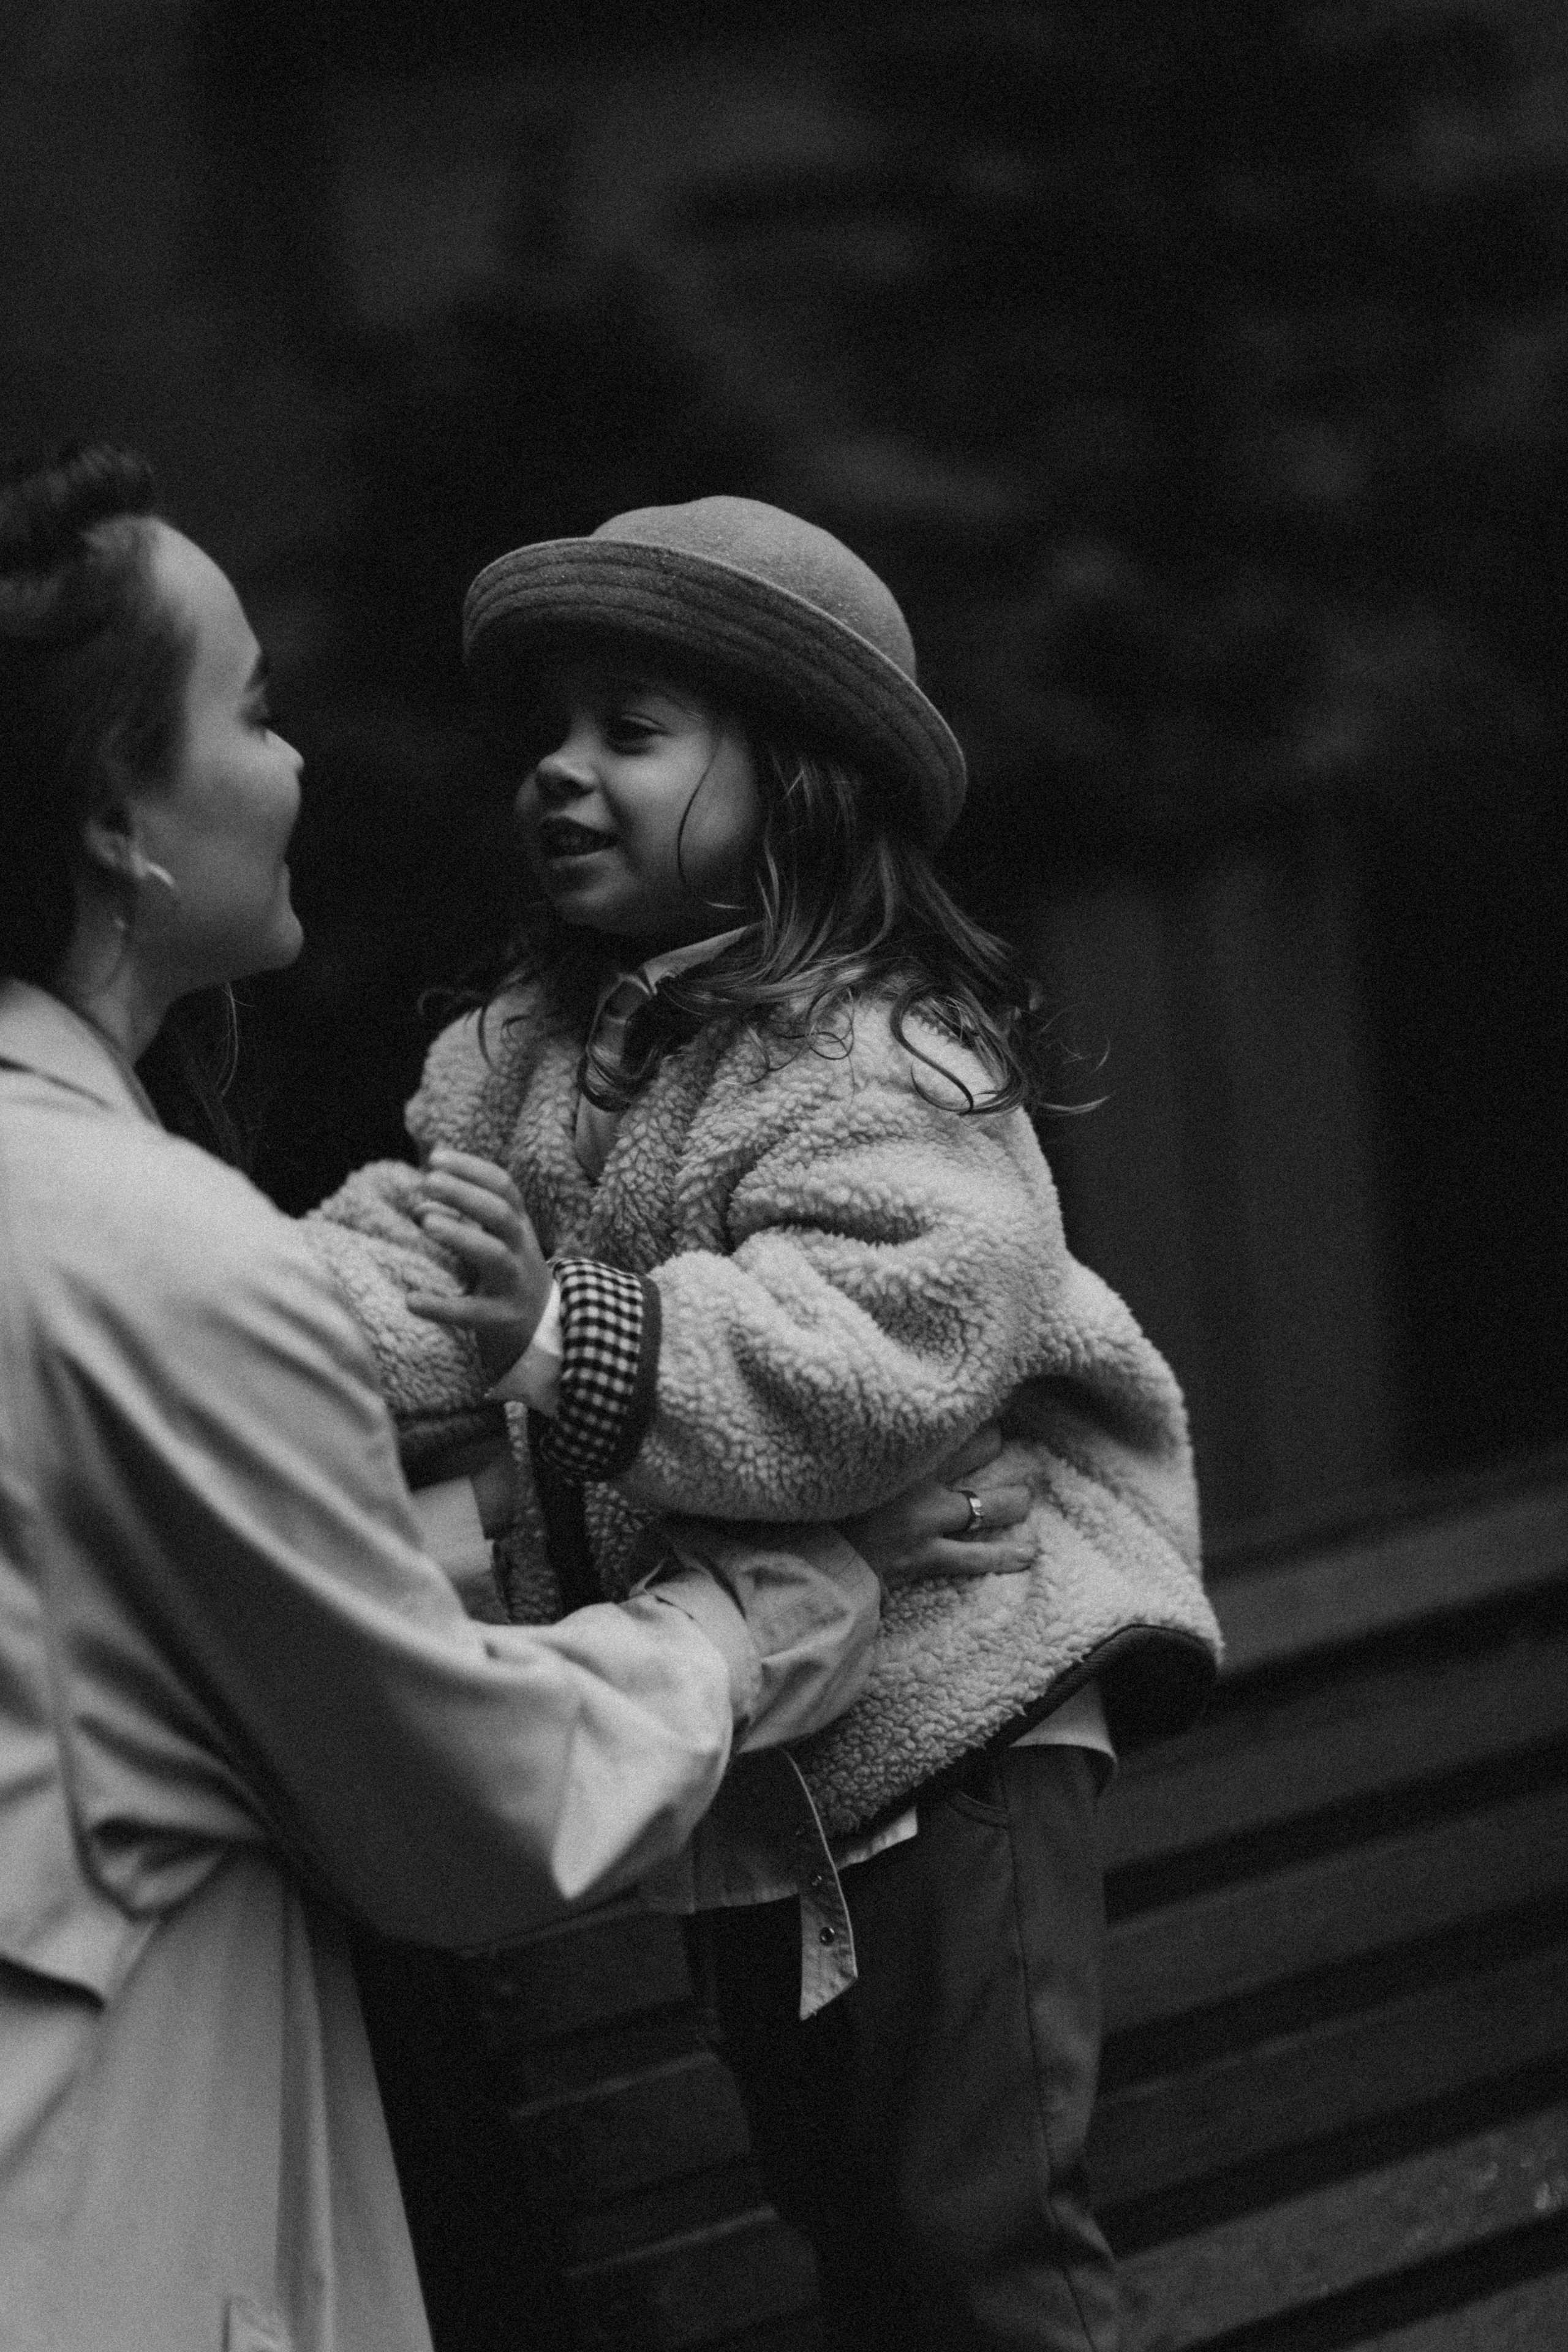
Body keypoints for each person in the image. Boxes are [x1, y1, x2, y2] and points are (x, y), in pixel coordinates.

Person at [0, 446, 1015, 2352]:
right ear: (117, 819)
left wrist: (517, 1364)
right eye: (257, 709)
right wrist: (780, 1601)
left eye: (630, 730)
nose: (300, 766)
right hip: (101, 2207)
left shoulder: (878, 1067)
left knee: (944, 2235)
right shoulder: (159, 1239)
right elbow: (463, 1802)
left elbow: (220, 1579)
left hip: (910, 1810)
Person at [306, 496, 1223, 2350]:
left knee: (981, 2239)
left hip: (951, 1730)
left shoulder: (885, 1061)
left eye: (628, 732)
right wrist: (238, 1323)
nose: (559, 774)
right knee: (856, 2229)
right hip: (765, 1769)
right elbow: (423, 1274)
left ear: (799, 786)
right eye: (549, 734)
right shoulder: (524, 1065)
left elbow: (879, 1350)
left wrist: (557, 1330)